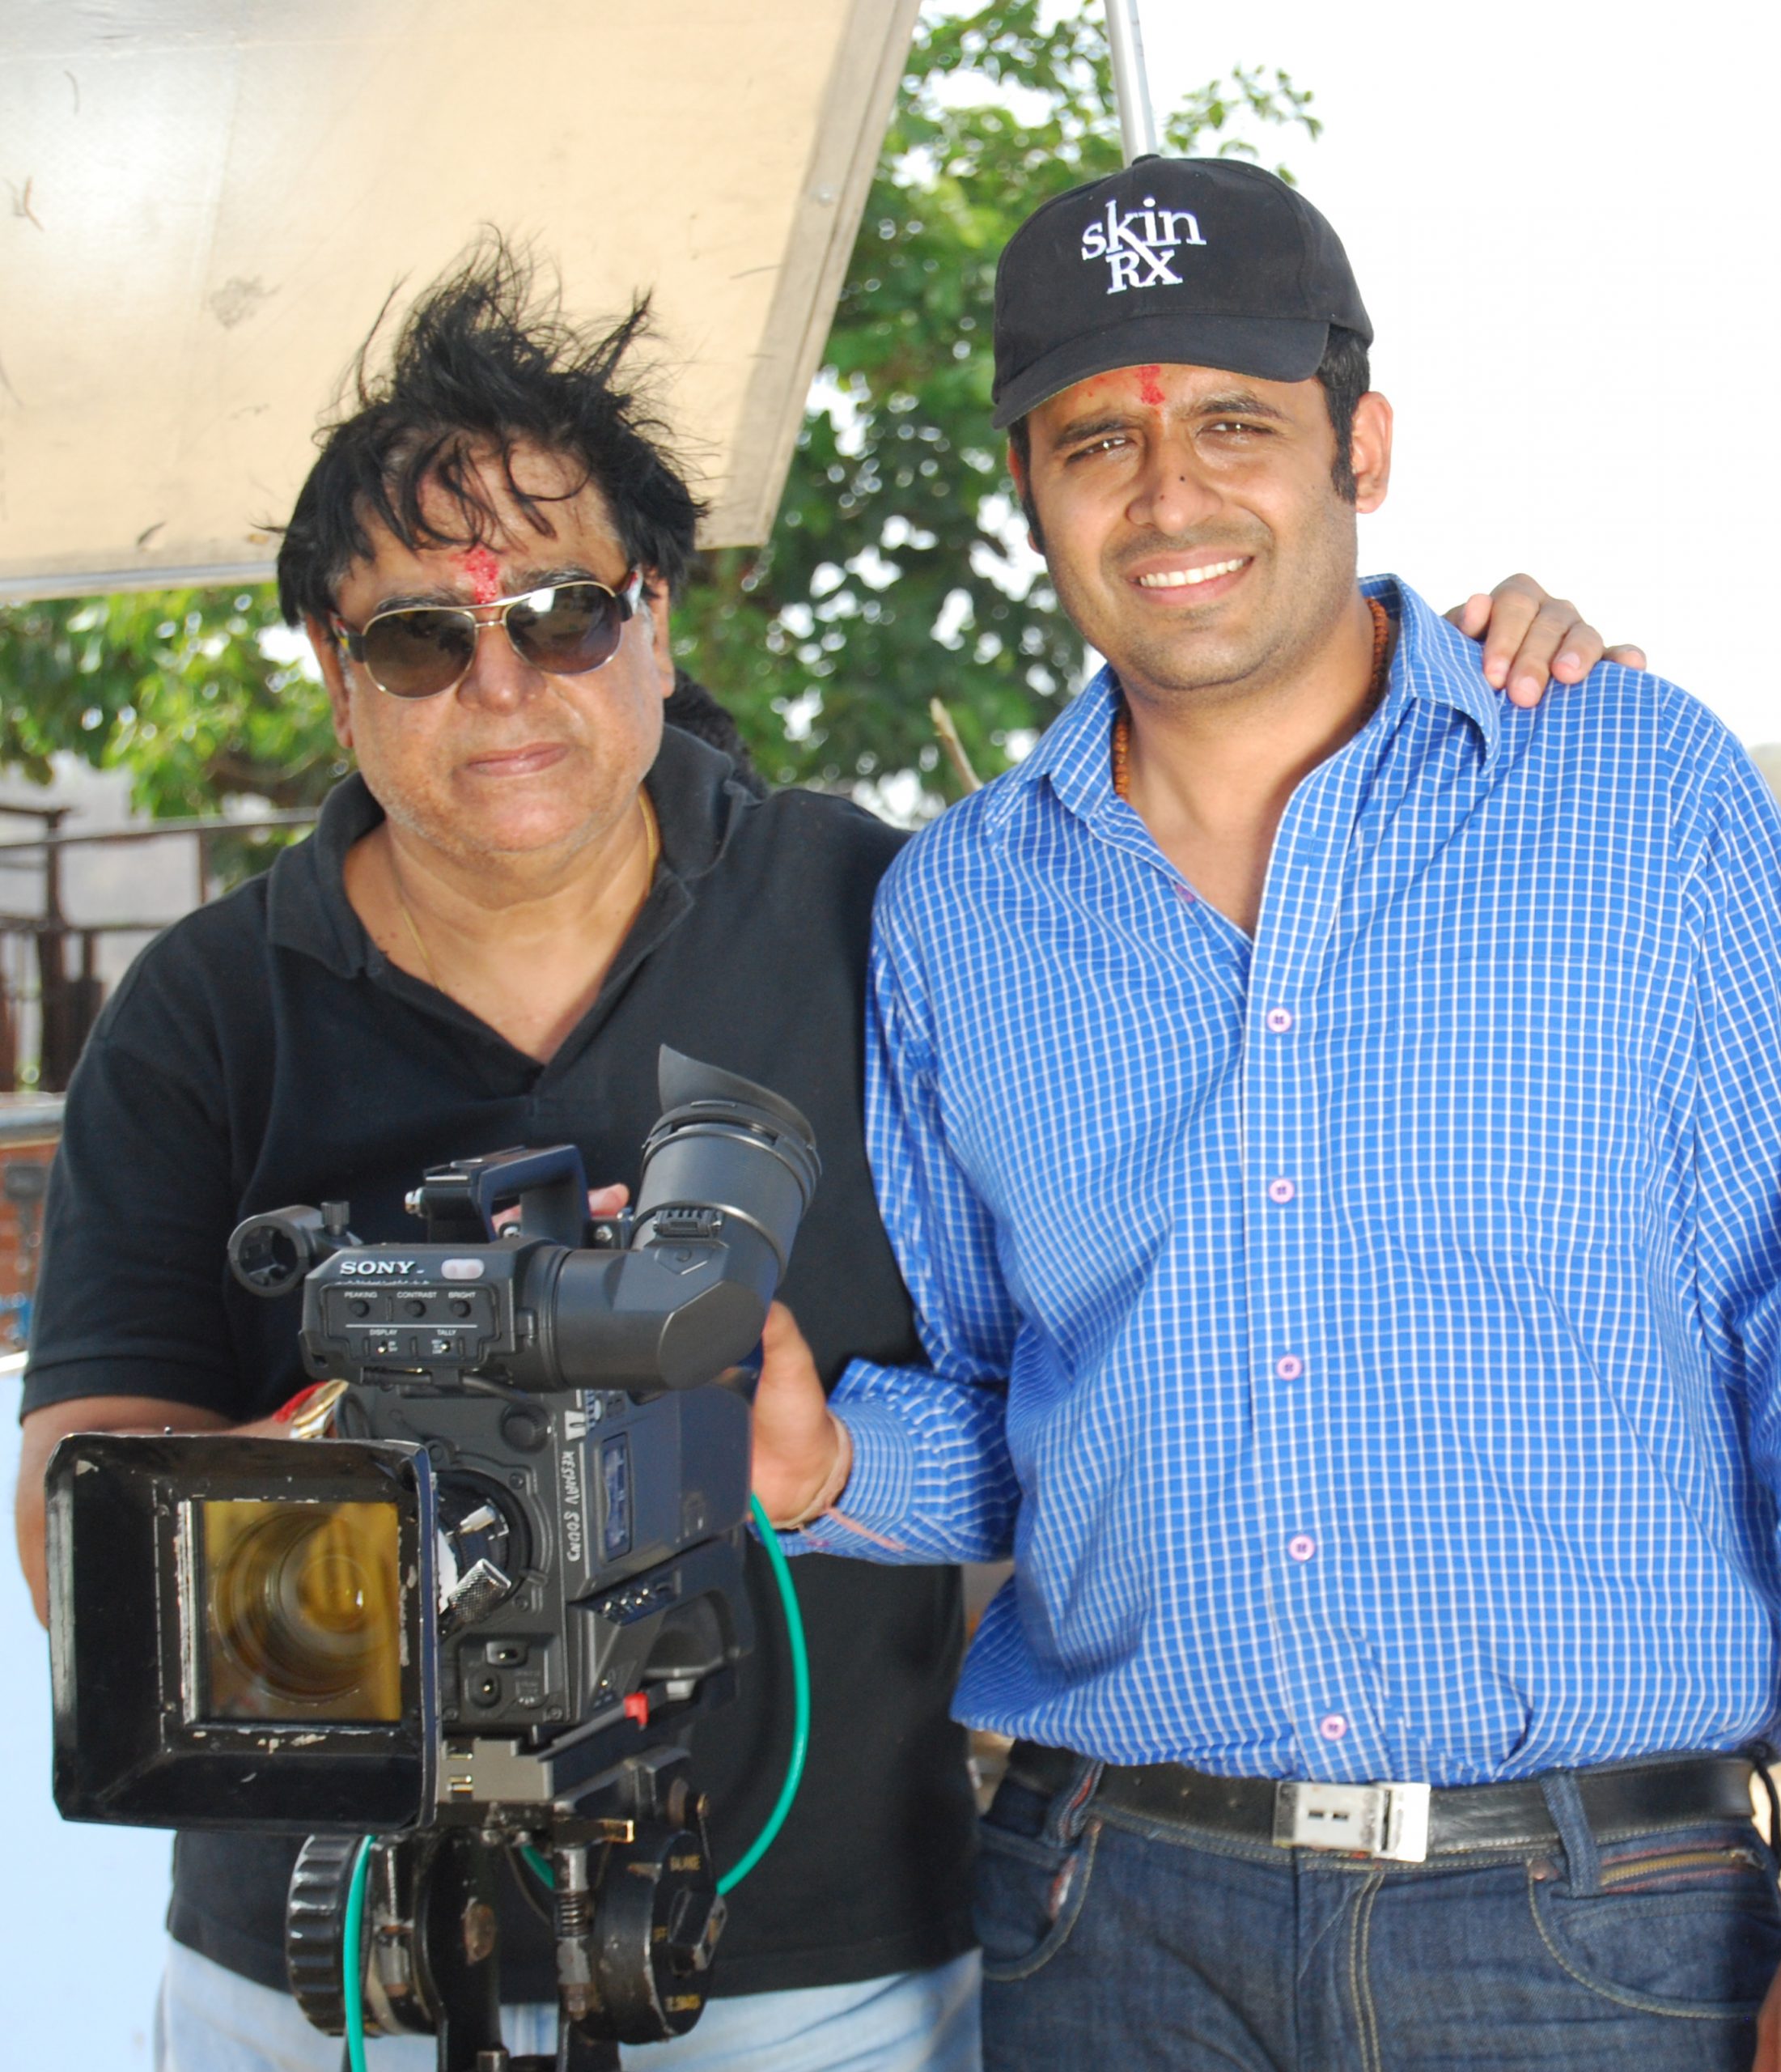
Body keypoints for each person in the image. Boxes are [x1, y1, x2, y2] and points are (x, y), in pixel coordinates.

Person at [11, 243, 1619, 2072]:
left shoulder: (887, 909)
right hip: (327, 1959)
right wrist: (404, 1460)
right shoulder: (203, 1007)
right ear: (334, 669)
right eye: (421, 638)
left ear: (657, 616)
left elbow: (1119, 1349)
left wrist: (1467, 682)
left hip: (821, 1964)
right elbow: (84, 1524)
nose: (503, 685)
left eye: (564, 614)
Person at [750, 156, 1781, 2072]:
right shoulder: (958, 913)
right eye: (1097, 442)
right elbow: (1030, 1418)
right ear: (1028, 487)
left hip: (1603, 1929)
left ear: (1359, 446)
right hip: (1113, 1919)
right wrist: (821, 1471)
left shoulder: (1642, 793)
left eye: (1236, 422)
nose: (1169, 495)